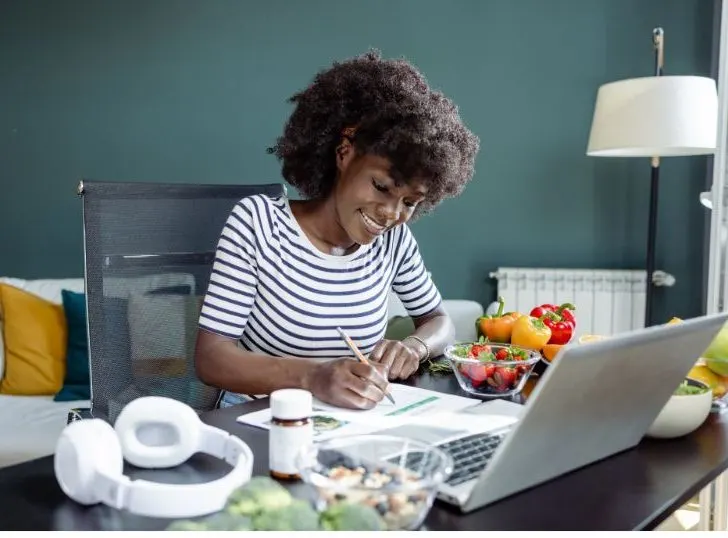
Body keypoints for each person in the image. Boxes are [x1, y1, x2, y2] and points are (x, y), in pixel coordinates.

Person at [194, 50, 479, 410]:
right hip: (262, 420)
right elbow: (212, 358)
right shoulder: (258, 223)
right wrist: (313, 377)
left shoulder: (393, 242)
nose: (392, 213)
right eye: (381, 187)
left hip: (349, 423)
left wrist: (414, 347)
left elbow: (439, 321)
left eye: (410, 202)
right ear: (344, 152)